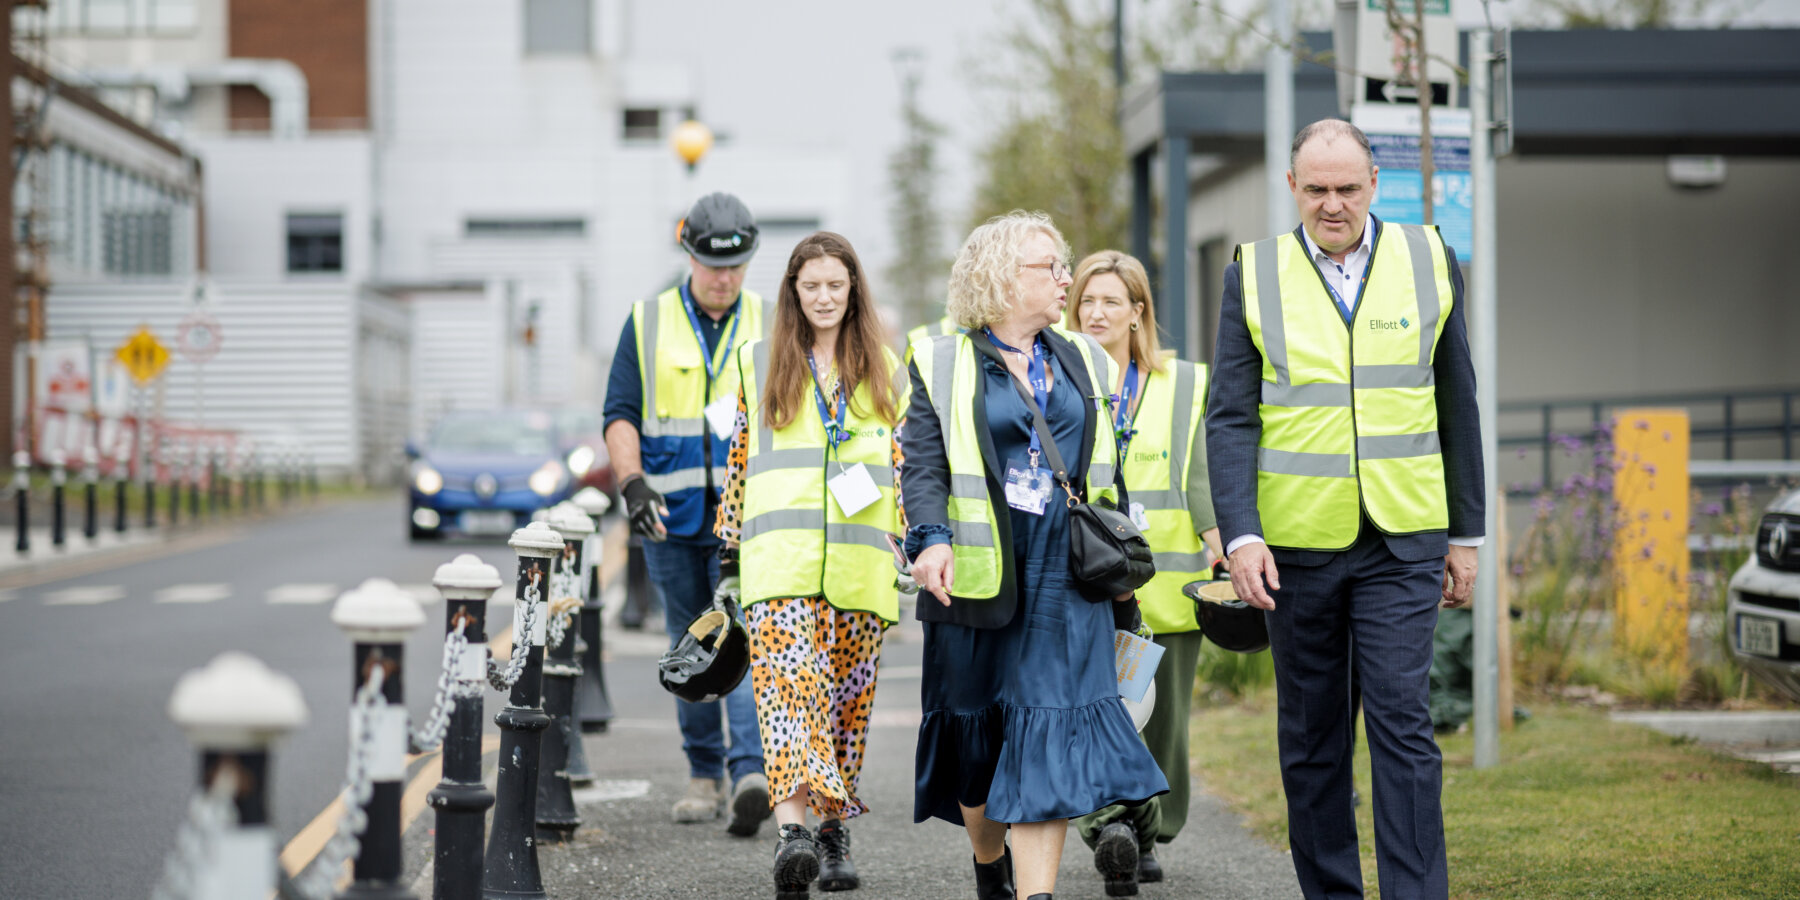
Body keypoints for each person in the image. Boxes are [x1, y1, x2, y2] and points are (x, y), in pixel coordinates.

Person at [1205, 118, 1484, 900]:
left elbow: (1456, 401)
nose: (1333, 205)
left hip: (1404, 540)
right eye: (1317, 189)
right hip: (1295, 548)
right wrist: (1242, 535)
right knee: (1312, 739)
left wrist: (1467, 534)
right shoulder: (1252, 275)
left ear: (1374, 185)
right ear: (1291, 187)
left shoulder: (1430, 261)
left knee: (1402, 722)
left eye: (1348, 189)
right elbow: (1230, 416)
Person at [900, 211, 1168, 900]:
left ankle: (1036, 894)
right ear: (998, 278)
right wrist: (929, 541)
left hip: (1066, 576)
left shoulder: (1082, 354)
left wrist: (1122, 569)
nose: (1064, 279)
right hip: (978, 579)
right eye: (1047, 267)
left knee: (1045, 740)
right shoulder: (939, 357)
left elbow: (1106, 469)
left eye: (1063, 265)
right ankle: (990, 869)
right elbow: (922, 465)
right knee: (976, 749)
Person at [713, 232, 905, 898]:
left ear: (854, 290)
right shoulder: (756, 361)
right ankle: (794, 833)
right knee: (791, 697)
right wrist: (728, 550)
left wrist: (914, 542)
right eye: (811, 285)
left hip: (860, 574)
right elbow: (739, 460)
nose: (824, 297)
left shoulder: (886, 368)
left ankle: (832, 834)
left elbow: (905, 469)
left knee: (846, 713)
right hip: (780, 570)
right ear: (793, 291)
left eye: (836, 285)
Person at [601, 191, 772, 836]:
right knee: (691, 644)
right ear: (689, 254)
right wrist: (632, 483)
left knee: (749, 638)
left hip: (749, 522)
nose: (724, 279)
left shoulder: (771, 319)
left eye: (736, 266)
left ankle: (749, 772)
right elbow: (620, 412)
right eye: (711, 265)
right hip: (670, 519)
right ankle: (704, 776)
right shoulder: (646, 322)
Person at [1063, 250, 1222, 897]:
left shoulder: (1184, 384)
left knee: (1163, 725)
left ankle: (1150, 831)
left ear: (1138, 313)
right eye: (1086, 302)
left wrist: (1222, 549)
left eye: (1111, 302)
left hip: (1168, 583)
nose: (1096, 313)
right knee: (1098, 714)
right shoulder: (1059, 378)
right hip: (1090, 584)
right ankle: (1110, 829)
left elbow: (1203, 473)